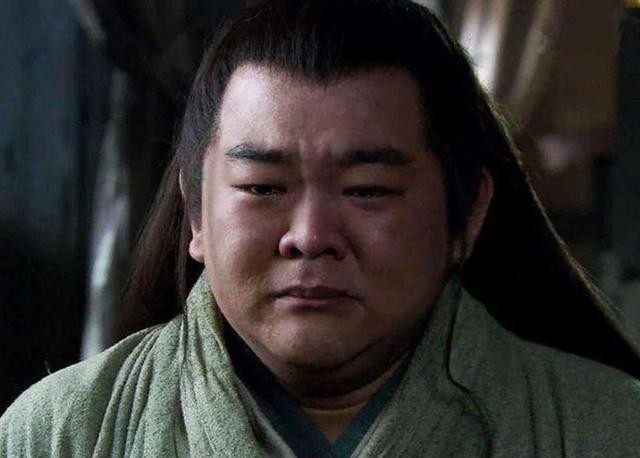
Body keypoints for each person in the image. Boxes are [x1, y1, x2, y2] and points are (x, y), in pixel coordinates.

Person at [2, 0, 640, 456]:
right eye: (262, 188)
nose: (309, 235)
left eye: (368, 190)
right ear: (196, 213)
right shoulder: (58, 432)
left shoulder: (609, 428)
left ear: (466, 213)